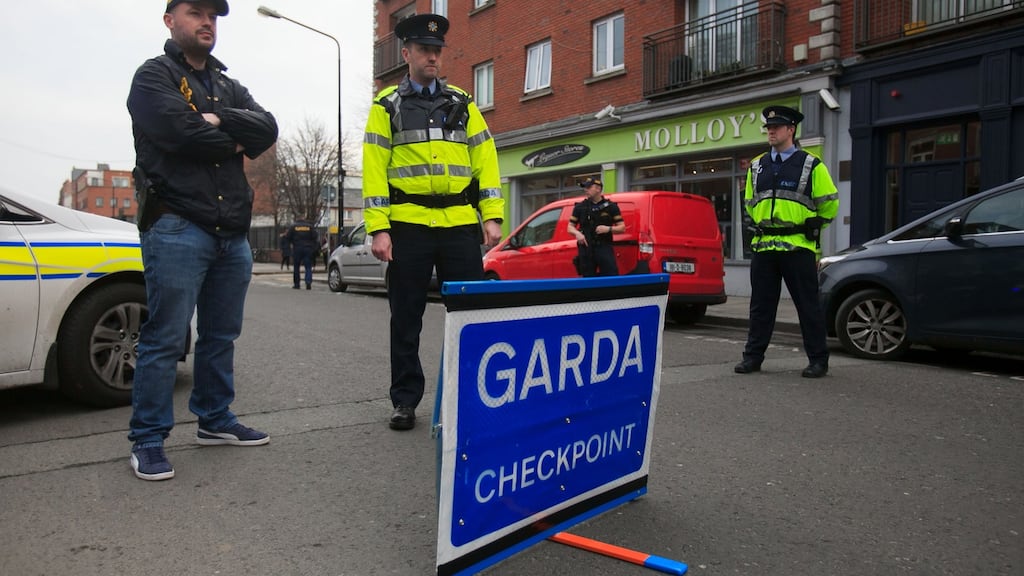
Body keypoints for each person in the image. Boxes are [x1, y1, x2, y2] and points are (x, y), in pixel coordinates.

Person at [126, 0, 278, 481]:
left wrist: (218, 122)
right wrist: (232, 133)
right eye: (195, 12)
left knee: (221, 334)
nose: (207, 21)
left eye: (213, 14)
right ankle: (148, 438)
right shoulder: (153, 77)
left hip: (230, 232)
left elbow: (268, 128)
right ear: (171, 21)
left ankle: (214, 420)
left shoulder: (228, 84)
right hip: (176, 224)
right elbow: (181, 134)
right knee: (165, 336)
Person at [363, 13, 504, 431]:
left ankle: (474, 397)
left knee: (471, 313)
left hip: (460, 222)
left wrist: (491, 215)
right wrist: (379, 227)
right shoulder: (386, 105)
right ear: (406, 53)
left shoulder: (462, 102)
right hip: (409, 223)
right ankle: (405, 400)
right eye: (424, 50)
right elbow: (374, 168)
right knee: (406, 316)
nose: (432, 57)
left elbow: (485, 159)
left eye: (437, 51)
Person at [735, 105, 839, 379]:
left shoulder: (811, 164)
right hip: (764, 246)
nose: (771, 131)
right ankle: (752, 358)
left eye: (776, 127)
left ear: (791, 130)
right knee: (760, 307)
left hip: (798, 246)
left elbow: (829, 203)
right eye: (768, 128)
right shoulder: (757, 166)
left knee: (808, 306)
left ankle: (818, 360)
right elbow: (749, 203)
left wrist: (816, 223)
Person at [567, 178, 624, 277]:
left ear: (598, 189)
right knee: (587, 279)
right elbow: (570, 227)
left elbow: (622, 228)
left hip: (604, 246)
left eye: (589, 187)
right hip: (586, 248)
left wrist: (608, 229)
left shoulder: (611, 207)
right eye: (585, 187)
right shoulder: (580, 207)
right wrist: (577, 234)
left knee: (610, 277)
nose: (586, 190)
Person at [287, 216, 318, 290]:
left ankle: (297, 284)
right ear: (304, 219)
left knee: (296, 267)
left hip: (297, 248)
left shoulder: (293, 226)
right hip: (308, 248)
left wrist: (292, 243)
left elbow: (288, 237)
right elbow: (315, 237)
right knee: (308, 266)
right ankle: (308, 282)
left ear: (297, 219)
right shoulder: (309, 226)